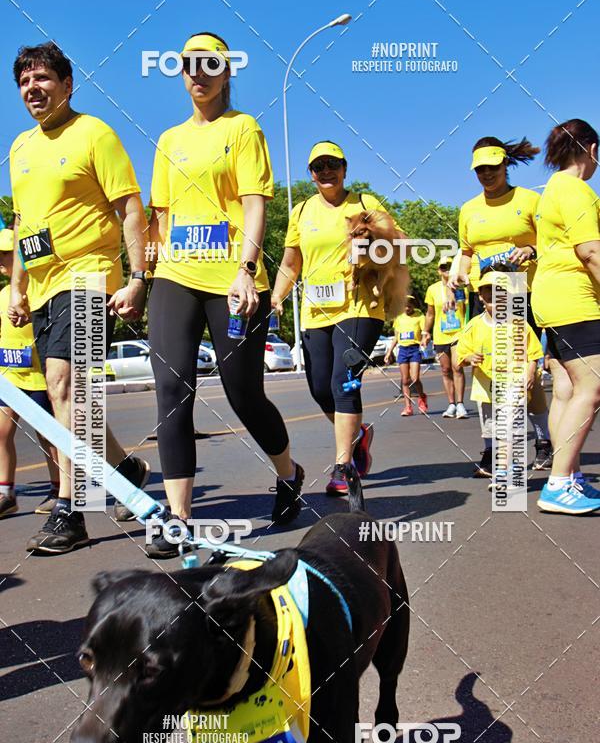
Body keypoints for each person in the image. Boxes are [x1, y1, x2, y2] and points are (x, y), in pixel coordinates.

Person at [146, 31, 304, 556]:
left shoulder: (243, 128)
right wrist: (144, 276)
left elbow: (255, 204)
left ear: (226, 71)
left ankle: (288, 473)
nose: (198, 73)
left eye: (209, 64)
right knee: (172, 390)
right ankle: (179, 518)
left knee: (244, 396)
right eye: (189, 64)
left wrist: (246, 269)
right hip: (175, 275)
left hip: (232, 280)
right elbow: (161, 217)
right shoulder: (169, 139)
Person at [8, 42, 151, 554]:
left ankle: (71, 509)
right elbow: (24, 224)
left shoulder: (95, 133)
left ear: (67, 85)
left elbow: (130, 208)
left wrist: (138, 277)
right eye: (24, 81)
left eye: (42, 78)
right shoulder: (19, 148)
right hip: (42, 286)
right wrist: (18, 287)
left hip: (90, 276)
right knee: (74, 398)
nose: (32, 88)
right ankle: (123, 468)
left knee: (63, 384)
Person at [272, 141, 399, 495]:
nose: (326, 171)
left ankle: (344, 466)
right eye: (318, 166)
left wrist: (372, 246)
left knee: (344, 381)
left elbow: (397, 243)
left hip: (360, 307)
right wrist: (276, 297)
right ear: (311, 174)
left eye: (333, 164)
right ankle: (358, 434)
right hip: (315, 311)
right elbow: (290, 264)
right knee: (320, 389)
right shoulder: (301, 211)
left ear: (345, 168)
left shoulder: (365, 204)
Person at [530, 119, 600, 514]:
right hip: (574, 299)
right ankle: (558, 484)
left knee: (567, 390)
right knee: (592, 387)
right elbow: (591, 252)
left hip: (551, 299)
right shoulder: (576, 189)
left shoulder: (553, 188)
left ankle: (568, 476)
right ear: (591, 149)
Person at [456, 270, 549, 480]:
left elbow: (534, 353)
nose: (493, 296)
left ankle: (504, 472)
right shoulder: (474, 325)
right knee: (493, 429)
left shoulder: (519, 324)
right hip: (487, 389)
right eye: (488, 293)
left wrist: (530, 373)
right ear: (481, 296)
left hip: (514, 385)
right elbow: (460, 356)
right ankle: (504, 467)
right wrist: (470, 357)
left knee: (509, 427)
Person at [450, 136, 542, 335]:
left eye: (493, 167)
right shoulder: (468, 209)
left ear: (505, 163)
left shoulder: (530, 199)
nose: (487, 173)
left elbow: (552, 243)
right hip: (482, 293)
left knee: (519, 351)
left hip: (521, 290)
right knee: (482, 352)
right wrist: (461, 273)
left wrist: (530, 249)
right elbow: (466, 253)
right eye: (480, 169)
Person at [0, 228, 60, 517]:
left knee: (48, 437)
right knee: (1, 432)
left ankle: (58, 489)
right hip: (9, 376)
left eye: (5, 254)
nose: (1, 261)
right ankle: (6, 493)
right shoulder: (4, 295)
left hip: (38, 377)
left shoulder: (39, 291)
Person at [422, 259, 467, 418]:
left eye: (449, 266)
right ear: (439, 271)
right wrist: (425, 332)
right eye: (443, 267)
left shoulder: (461, 286)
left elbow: (467, 308)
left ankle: (460, 404)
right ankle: (451, 404)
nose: (446, 269)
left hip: (459, 333)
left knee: (457, 367)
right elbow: (430, 314)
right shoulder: (432, 289)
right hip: (441, 335)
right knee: (445, 370)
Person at [384, 295, 428, 415]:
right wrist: (389, 352)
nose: (407, 308)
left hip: (414, 349)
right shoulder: (398, 317)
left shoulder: (420, 316)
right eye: (405, 306)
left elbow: (424, 332)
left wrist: (424, 339)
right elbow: (396, 337)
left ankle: (422, 397)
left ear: (413, 305)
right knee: (405, 380)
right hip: (402, 350)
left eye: (409, 306)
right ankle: (408, 407)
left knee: (415, 378)